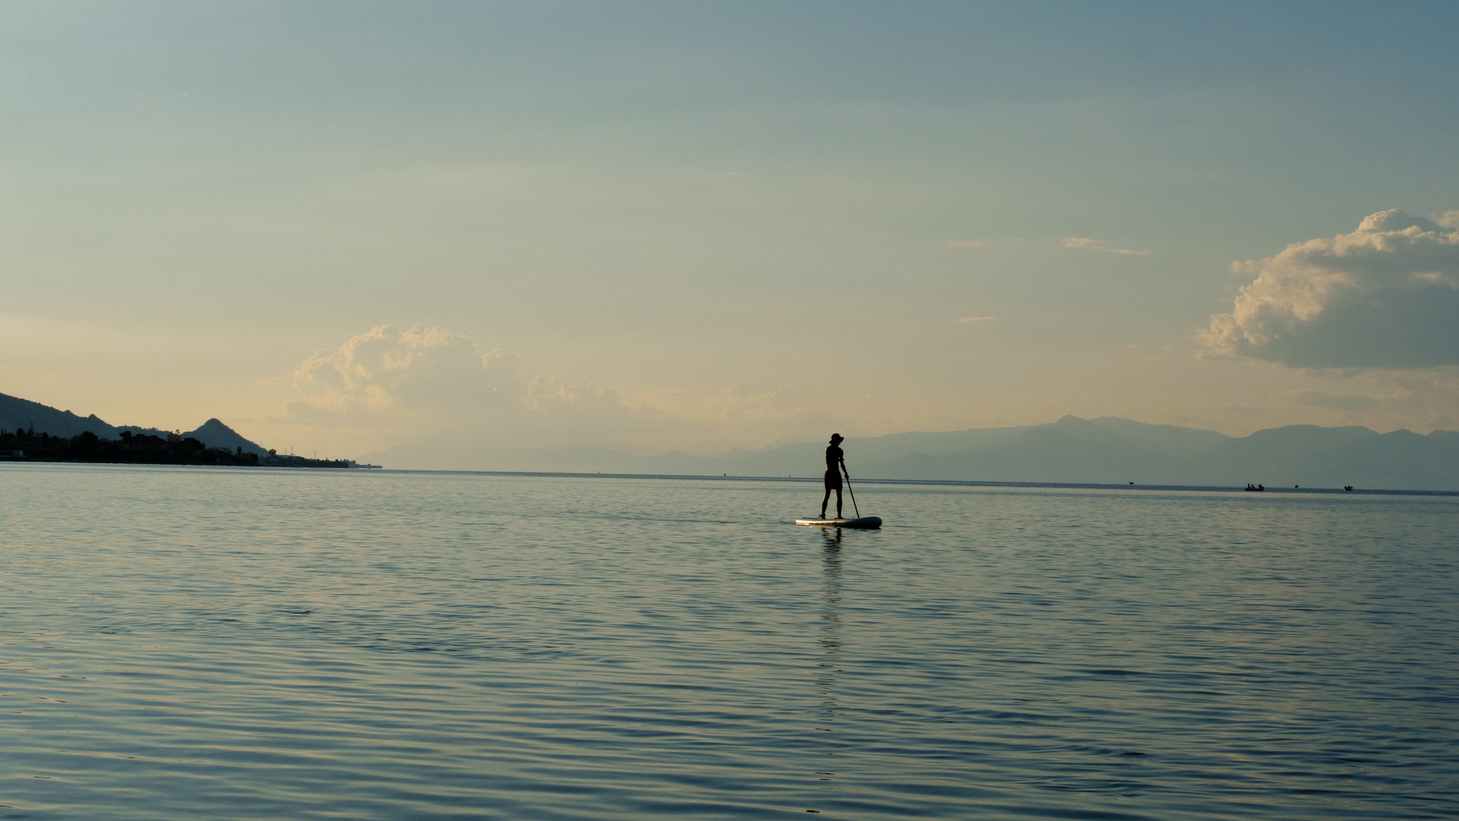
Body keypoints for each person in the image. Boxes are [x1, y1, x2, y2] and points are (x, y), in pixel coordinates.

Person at [820, 433, 848, 519]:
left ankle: (839, 515)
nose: (839, 443)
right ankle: (823, 514)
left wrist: (845, 473)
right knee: (827, 494)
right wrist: (837, 458)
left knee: (839, 495)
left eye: (839, 441)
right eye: (837, 441)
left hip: (837, 474)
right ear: (834, 441)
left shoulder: (840, 451)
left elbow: (842, 464)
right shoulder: (829, 449)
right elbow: (829, 460)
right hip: (830, 474)